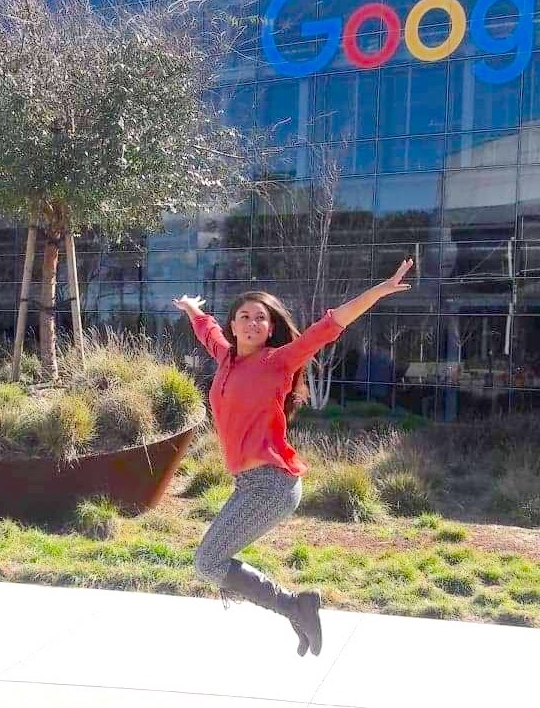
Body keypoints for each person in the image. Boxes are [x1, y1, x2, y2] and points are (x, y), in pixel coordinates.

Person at [172, 258, 415, 657]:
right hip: (248, 484)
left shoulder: (279, 361)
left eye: (261, 319)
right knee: (210, 562)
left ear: (270, 329)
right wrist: (192, 308)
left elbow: (331, 325)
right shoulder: (226, 357)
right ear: (234, 325)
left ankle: (294, 606)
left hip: (272, 484)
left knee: (209, 562)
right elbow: (207, 330)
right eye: (244, 316)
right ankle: (296, 608)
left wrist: (378, 291)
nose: (251, 323)